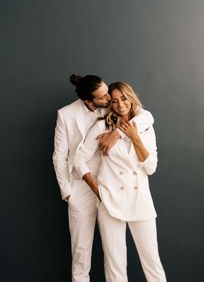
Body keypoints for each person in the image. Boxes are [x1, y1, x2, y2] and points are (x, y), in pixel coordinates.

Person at [52, 75, 154, 282]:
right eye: (103, 97)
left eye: (108, 92)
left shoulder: (111, 105)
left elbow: (146, 116)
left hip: (115, 185)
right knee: (81, 250)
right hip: (82, 187)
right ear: (88, 101)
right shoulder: (65, 115)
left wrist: (116, 133)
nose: (109, 98)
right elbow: (59, 156)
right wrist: (67, 193)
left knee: (116, 253)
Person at [73, 82, 167, 282]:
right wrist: (96, 188)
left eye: (123, 98)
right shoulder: (101, 126)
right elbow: (79, 159)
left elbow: (150, 168)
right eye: (114, 101)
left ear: (131, 97)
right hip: (110, 201)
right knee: (115, 265)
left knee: (152, 262)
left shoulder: (145, 126)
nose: (120, 104)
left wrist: (133, 137)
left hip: (140, 200)